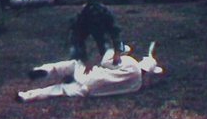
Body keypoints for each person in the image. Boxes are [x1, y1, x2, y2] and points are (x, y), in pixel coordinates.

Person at [17, 43, 163, 102]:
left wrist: (123, 49)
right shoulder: (136, 86)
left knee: (74, 64)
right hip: (91, 91)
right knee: (59, 90)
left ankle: (46, 70)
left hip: (92, 76)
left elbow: (106, 61)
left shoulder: (131, 63)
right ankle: (26, 96)